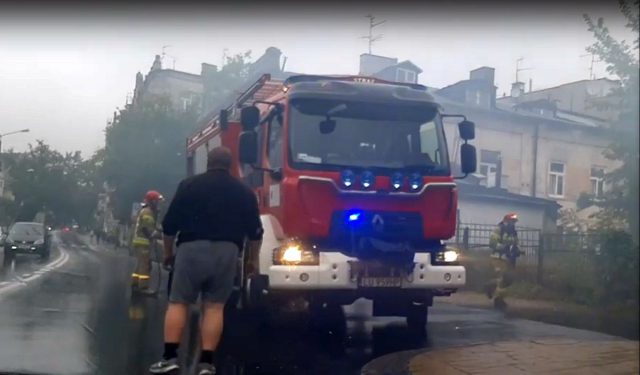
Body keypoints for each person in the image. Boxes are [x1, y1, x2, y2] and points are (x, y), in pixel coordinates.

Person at [149, 146, 264, 375]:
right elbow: (255, 233)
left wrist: (168, 254)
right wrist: (252, 261)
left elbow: (169, 226)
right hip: (227, 251)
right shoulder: (244, 192)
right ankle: (206, 363)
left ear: (208, 163)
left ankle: (170, 357)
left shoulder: (189, 186)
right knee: (214, 307)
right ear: (229, 165)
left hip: (191, 249)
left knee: (179, 302)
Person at [130, 190, 164, 294]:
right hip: (143, 242)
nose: (159, 203)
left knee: (140, 265)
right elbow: (146, 229)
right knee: (145, 265)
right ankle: (143, 288)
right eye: (157, 201)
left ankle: (135, 284)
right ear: (152, 201)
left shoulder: (147, 211)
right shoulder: (148, 212)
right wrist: (157, 234)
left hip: (140, 242)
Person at [486, 213, 520, 310]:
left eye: (514, 222)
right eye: (511, 221)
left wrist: (516, 250)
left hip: (508, 259)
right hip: (498, 258)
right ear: (506, 221)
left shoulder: (513, 232)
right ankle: (498, 300)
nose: (513, 223)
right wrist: (502, 247)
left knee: (508, 280)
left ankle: (490, 286)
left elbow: (515, 243)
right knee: (502, 278)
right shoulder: (499, 229)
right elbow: (492, 243)